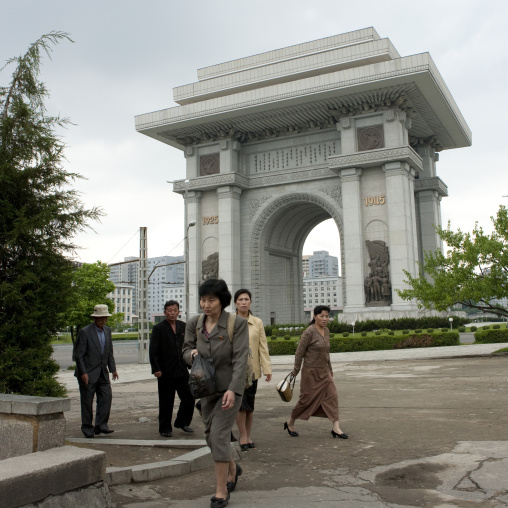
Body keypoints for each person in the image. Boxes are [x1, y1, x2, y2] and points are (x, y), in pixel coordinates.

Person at [183, 279, 249, 508]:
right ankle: (233, 467)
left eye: (211, 299)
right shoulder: (194, 323)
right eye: (203, 299)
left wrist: (233, 389)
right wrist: (190, 354)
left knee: (219, 435)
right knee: (211, 437)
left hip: (229, 390)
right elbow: (184, 349)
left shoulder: (236, 324)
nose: (206, 304)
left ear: (222, 301)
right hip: (205, 390)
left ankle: (222, 491)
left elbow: (241, 359)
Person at [284, 305, 348, 440]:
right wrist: (296, 370)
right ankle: (290, 422)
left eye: (327, 316)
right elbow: (299, 352)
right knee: (305, 400)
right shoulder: (309, 332)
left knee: (333, 396)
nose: (325, 319)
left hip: (324, 372)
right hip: (310, 373)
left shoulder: (327, 331)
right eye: (322, 316)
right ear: (314, 317)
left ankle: (336, 427)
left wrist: (330, 369)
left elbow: (326, 353)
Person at [149, 300, 194, 438]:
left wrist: (191, 363)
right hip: (165, 372)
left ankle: (182, 422)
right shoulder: (159, 328)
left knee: (189, 398)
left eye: (175, 310)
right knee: (166, 402)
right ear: (165, 312)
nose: (172, 313)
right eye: (170, 310)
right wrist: (156, 368)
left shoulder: (183, 326)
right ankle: (165, 428)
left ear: (178, 312)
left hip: (181, 369)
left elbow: (189, 345)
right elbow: (153, 351)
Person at [233, 289, 272, 450]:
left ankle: (248, 435)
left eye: (246, 299)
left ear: (250, 302)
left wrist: (267, 368)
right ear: (235, 302)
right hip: (235, 370)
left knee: (250, 406)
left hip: (253, 370)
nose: (243, 302)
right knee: (240, 405)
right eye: (240, 299)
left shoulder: (257, 322)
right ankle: (242, 436)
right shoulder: (229, 321)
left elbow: (263, 347)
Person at [74, 304, 119, 438]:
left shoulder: (107, 331)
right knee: (87, 402)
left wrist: (113, 369)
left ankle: (101, 425)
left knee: (106, 398)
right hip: (87, 373)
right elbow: (79, 355)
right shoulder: (85, 332)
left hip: (102, 372)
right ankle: (87, 428)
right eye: (100, 318)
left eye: (105, 318)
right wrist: (83, 372)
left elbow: (109, 352)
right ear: (95, 318)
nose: (103, 320)